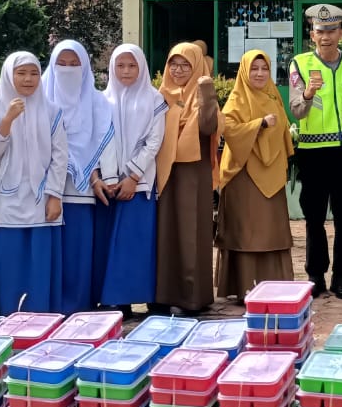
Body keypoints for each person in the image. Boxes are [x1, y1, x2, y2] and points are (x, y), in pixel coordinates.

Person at [288, 5, 342, 299]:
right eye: (320, 31)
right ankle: (315, 274)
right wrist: (307, 94)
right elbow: (296, 110)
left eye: (332, 30)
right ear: (312, 35)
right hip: (313, 151)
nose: (326, 36)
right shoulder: (300, 64)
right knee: (314, 217)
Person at [0, 52, 68, 314]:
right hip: (7, 200)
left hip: (43, 199)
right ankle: (10, 318)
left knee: (40, 263)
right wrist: (8, 119)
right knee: (9, 263)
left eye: (34, 73)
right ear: (9, 75)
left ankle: (43, 319)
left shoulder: (52, 109)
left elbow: (60, 155)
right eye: (21, 73)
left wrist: (55, 194)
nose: (28, 79)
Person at [42, 39, 115, 313]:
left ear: (85, 68)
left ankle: (79, 306)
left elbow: (102, 142)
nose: (68, 70)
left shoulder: (97, 102)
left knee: (77, 249)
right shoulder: (41, 97)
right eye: (61, 64)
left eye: (75, 65)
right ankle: (49, 306)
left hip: (83, 188)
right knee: (50, 251)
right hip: (46, 188)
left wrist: (94, 175)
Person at [217, 50, 295, 299]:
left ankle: (275, 285)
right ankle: (244, 286)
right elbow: (228, 128)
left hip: (271, 173)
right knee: (248, 232)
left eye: (264, 69)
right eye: (254, 68)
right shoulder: (238, 98)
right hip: (244, 173)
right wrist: (258, 124)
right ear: (244, 71)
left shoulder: (273, 96)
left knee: (272, 231)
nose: (260, 74)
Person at [98, 44, 166, 316]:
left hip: (140, 185)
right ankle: (117, 299)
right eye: (120, 65)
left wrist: (132, 177)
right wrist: (112, 178)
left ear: (142, 67)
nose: (126, 71)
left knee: (136, 243)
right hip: (109, 186)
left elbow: (154, 141)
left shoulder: (154, 99)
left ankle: (143, 295)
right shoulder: (102, 100)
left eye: (132, 65)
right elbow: (100, 140)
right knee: (111, 244)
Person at [155, 42, 221, 316]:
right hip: (163, 169)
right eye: (174, 63)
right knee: (165, 232)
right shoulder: (159, 95)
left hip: (193, 169)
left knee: (191, 232)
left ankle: (192, 296)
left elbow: (209, 126)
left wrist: (207, 92)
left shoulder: (201, 92)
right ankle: (162, 295)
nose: (179, 70)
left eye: (186, 64)